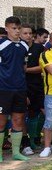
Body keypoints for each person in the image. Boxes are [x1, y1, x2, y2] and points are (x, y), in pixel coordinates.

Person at [0, 16, 30, 161]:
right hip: (3, 89)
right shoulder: (1, 45)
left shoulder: (25, 46)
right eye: (14, 28)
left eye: (18, 28)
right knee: (1, 122)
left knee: (18, 120)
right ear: (6, 29)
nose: (17, 31)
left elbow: (24, 67)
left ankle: (16, 153)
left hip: (20, 89)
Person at [20, 24, 45, 155]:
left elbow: (43, 67)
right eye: (25, 33)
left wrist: (27, 70)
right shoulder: (17, 48)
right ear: (20, 34)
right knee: (21, 115)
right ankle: (24, 143)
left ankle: (34, 139)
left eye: (30, 33)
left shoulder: (39, 48)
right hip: (20, 86)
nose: (28, 36)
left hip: (37, 85)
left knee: (37, 113)